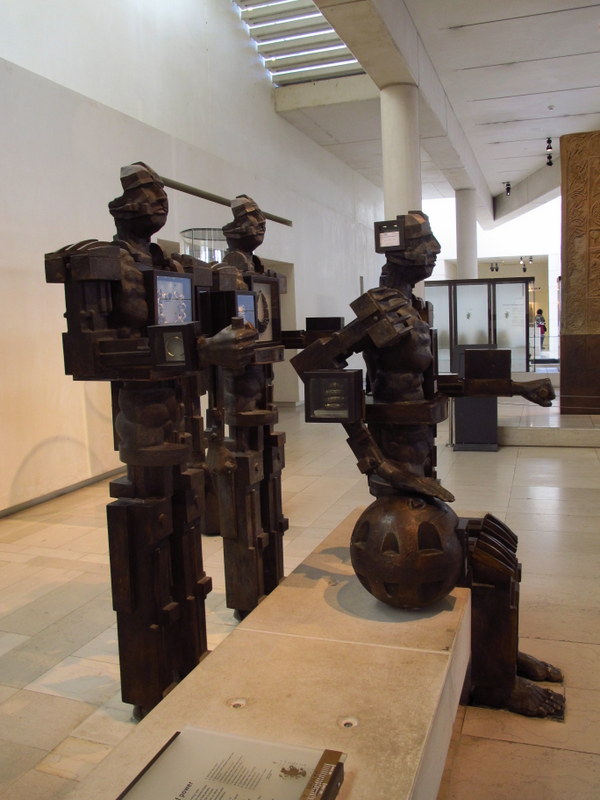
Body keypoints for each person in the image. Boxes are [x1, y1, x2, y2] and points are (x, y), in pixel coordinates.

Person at [292, 211, 564, 718]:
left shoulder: (415, 307)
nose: (435, 250)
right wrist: (371, 457)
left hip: (422, 455)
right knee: (482, 559)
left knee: (494, 546)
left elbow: (434, 385)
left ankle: (499, 656)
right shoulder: (380, 310)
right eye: (424, 242)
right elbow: (314, 365)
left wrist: (515, 386)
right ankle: (495, 680)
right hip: (397, 466)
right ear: (396, 252)